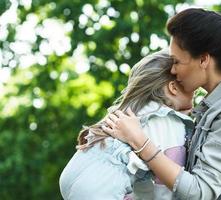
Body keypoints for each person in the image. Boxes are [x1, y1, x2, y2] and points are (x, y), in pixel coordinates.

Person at [102, 8, 221, 200]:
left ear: (203, 59)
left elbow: (200, 191)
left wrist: (139, 141)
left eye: (176, 62)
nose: (173, 71)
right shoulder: (216, 105)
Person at [59, 50, 195, 200]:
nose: (195, 91)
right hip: (100, 190)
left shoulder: (131, 113)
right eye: (191, 84)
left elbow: (142, 179)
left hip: (75, 174)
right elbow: (167, 185)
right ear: (173, 88)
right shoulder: (171, 123)